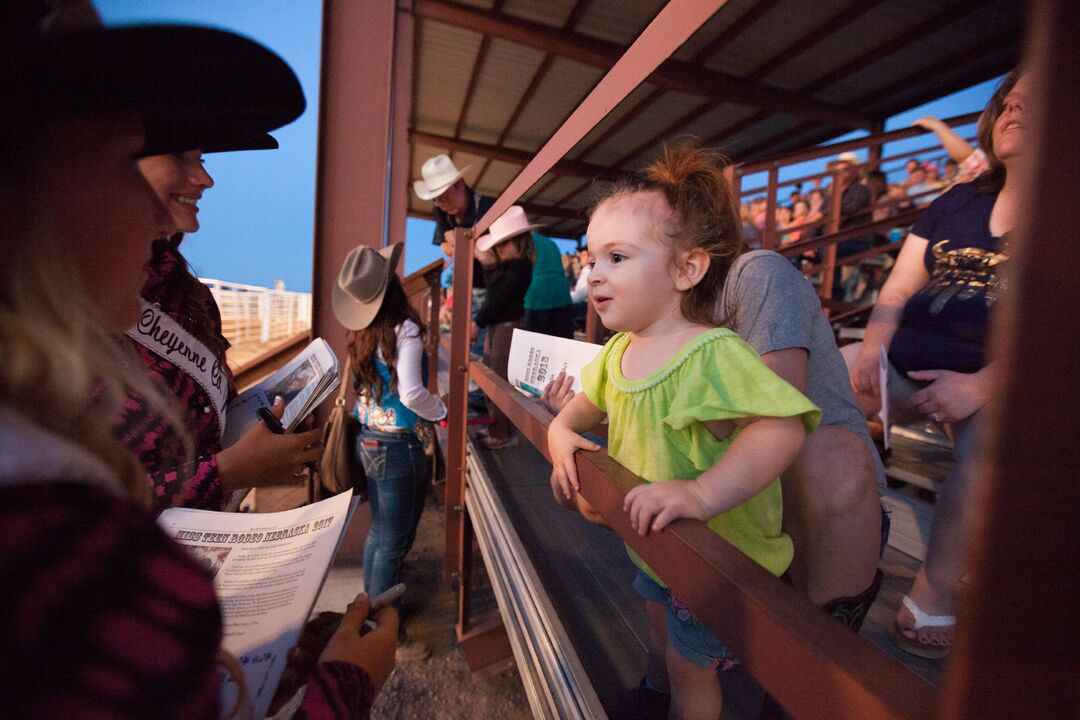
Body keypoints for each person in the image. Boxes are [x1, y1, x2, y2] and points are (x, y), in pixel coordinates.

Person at [0, 5, 394, 717]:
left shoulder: (185, 299)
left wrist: (233, 676)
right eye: (143, 154)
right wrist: (346, 687)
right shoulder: (56, 556)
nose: (200, 181)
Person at [547, 145, 821, 720]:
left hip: (721, 559)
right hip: (660, 548)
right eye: (590, 257)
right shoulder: (618, 351)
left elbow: (782, 426)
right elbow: (580, 408)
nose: (593, 273)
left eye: (617, 257)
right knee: (662, 635)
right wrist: (560, 436)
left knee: (689, 671)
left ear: (686, 269)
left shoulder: (710, 352)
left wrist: (701, 493)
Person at [843, 70, 1026, 659]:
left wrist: (980, 386)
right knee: (827, 378)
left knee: (992, 442)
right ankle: (825, 532)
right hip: (907, 354)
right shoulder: (960, 197)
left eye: (1035, 100)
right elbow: (896, 288)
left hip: (1004, 378)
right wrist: (872, 348)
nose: (1014, 108)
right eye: (1007, 102)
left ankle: (936, 585)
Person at [119, 144, 323, 512]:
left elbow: (213, 421)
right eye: (180, 155)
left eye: (202, 160)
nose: (205, 179)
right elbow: (59, 511)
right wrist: (225, 473)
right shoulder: (51, 305)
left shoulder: (189, 296)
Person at [333, 242, 447, 662]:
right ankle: (388, 639)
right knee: (394, 543)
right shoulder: (405, 329)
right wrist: (442, 411)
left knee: (380, 535)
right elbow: (414, 394)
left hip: (368, 440)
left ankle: (367, 614)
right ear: (394, 282)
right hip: (399, 444)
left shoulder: (363, 329)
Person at [471, 206, 537, 450]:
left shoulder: (519, 267)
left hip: (507, 327)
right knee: (493, 375)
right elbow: (493, 293)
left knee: (498, 379)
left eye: (504, 243)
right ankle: (497, 427)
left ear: (519, 242)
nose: (499, 248)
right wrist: (489, 267)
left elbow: (498, 298)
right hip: (500, 326)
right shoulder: (510, 267)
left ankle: (502, 432)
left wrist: (477, 321)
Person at [523, 231, 575, 338]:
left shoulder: (524, 241)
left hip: (537, 294)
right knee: (562, 339)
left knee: (534, 341)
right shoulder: (551, 243)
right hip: (562, 291)